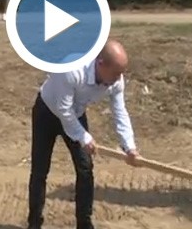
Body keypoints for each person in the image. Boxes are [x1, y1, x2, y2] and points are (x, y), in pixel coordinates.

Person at [27, 39, 141, 229]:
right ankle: (34, 223)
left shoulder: (116, 80)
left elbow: (120, 112)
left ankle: (84, 223)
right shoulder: (72, 69)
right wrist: (84, 137)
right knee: (40, 170)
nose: (119, 78)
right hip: (47, 112)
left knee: (85, 168)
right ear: (100, 63)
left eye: (121, 73)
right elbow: (63, 110)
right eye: (115, 73)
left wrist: (130, 147)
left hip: (76, 114)